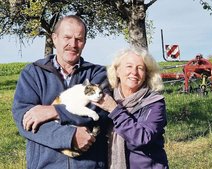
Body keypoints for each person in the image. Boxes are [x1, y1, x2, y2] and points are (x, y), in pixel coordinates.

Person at [12, 15, 110, 169]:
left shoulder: (98, 74)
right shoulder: (33, 73)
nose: (73, 44)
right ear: (54, 38)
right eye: (67, 37)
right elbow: (25, 120)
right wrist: (69, 137)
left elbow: (100, 112)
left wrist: (54, 111)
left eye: (79, 39)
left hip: (90, 165)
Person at [93, 47, 169, 169]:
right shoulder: (106, 97)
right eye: (129, 66)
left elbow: (143, 138)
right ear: (117, 71)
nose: (134, 72)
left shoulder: (154, 102)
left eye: (140, 68)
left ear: (146, 75)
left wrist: (114, 110)